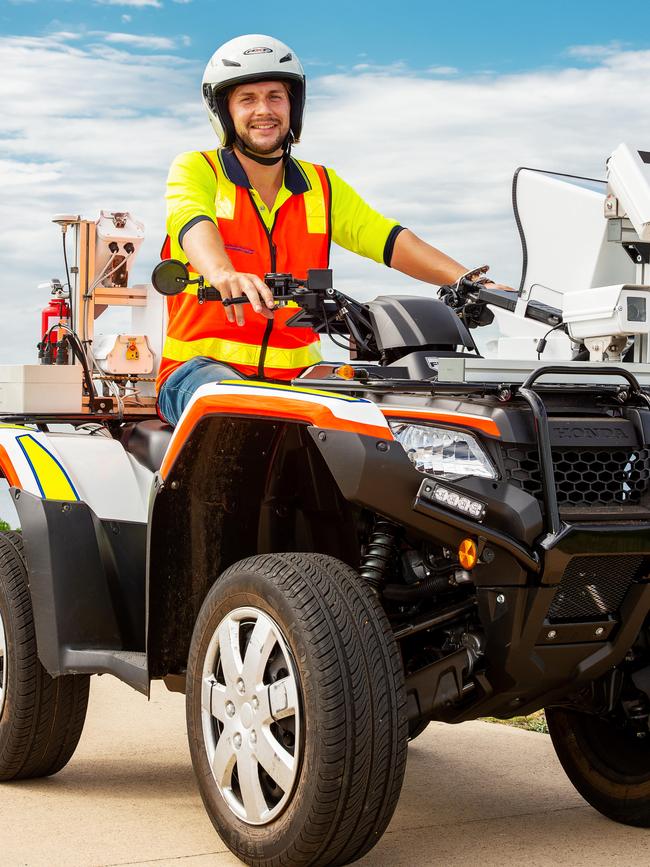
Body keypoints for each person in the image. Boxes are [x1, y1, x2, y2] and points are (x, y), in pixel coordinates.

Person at [157, 33, 504, 425]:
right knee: (240, 409)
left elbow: (386, 238)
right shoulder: (197, 169)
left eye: (275, 96)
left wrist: (467, 280)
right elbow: (191, 221)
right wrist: (222, 272)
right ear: (224, 111)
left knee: (385, 427)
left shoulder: (322, 184)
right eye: (247, 99)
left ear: (293, 105)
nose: (263, 110)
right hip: (198, 374)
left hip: (296, 381)